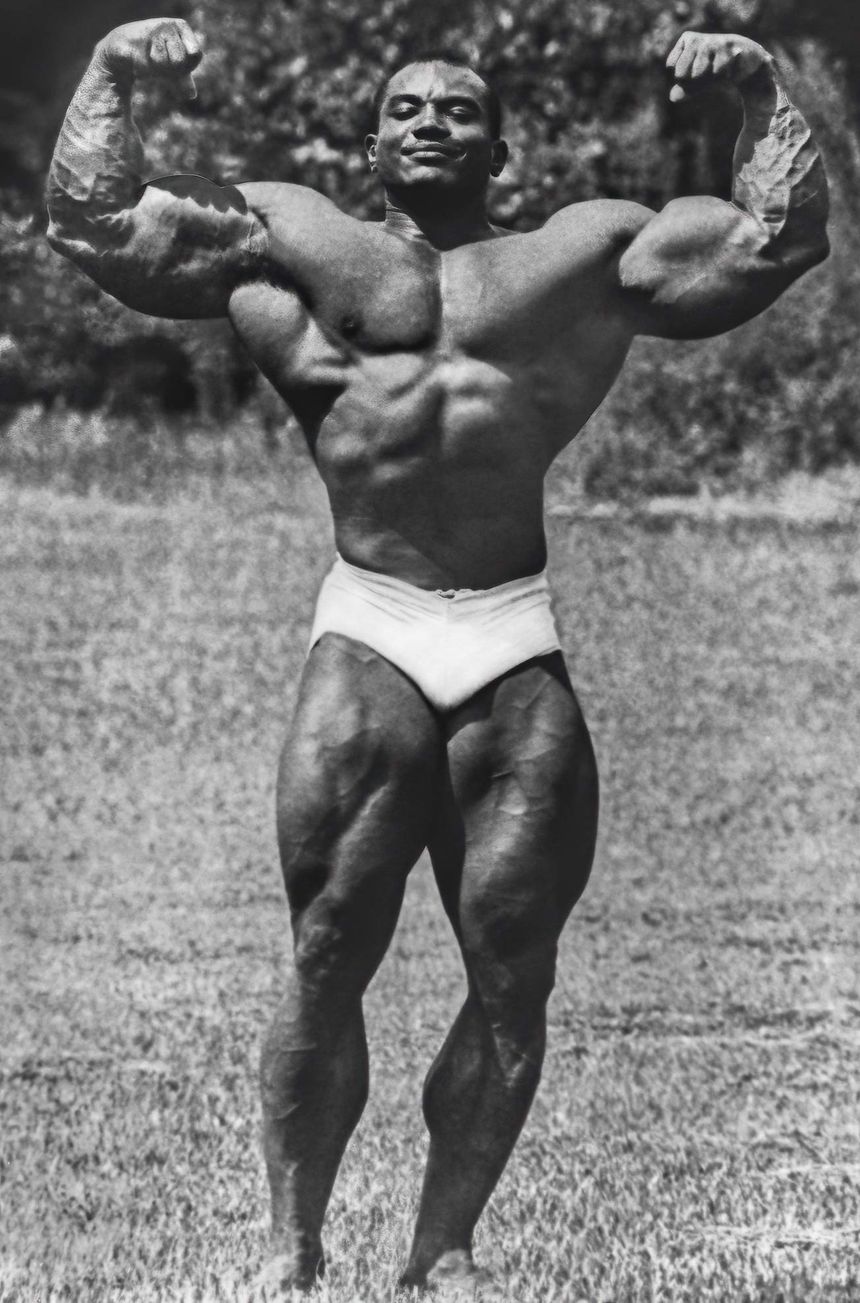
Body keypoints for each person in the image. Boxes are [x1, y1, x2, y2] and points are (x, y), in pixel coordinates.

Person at [46, 17, 828, 1296]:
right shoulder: (291, 238)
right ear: (369, 146)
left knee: (513, 972)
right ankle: (292, 1251)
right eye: (404, 107)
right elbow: (95, 222)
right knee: (326, 951)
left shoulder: (580, 254)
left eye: (457, 109)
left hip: (511, 633)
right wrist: (110, 74)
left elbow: (773, 241)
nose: (428, 121)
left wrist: (757, 90)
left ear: (499, 151)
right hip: (371, 623)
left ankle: (441, 1249)